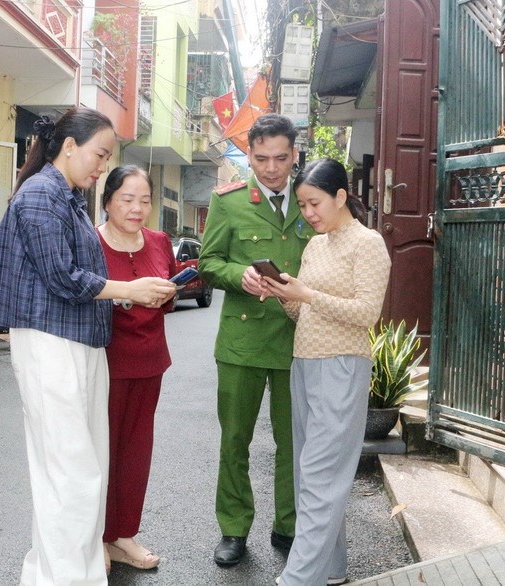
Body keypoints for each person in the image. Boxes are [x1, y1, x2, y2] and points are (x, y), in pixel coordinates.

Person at [0, 108, 176, 586]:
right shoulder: (42, 194)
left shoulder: (68, 196)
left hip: (78, 342)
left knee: (82, 471)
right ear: (69, 147)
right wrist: (129, 289)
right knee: (70, 474)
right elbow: (62, 276)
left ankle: (69, 575)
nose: (102, 165)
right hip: (51, 344)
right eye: (100, 154)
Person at [255, 159, 391, 585]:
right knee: (310, 473)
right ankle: (331, 569)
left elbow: (367, 314)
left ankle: (298, 579)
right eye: (302, 205)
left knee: (319, 474)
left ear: (341, 196)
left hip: (342, 366)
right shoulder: (315, 246)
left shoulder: (368, 244)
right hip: (305, 364)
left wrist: (309, 294)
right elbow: (303, 314)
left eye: (314, 203)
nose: (308, 212)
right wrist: (284, 293)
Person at [197, 113, 317, 566]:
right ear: (249, 155)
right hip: (242, 341)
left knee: (294, 442)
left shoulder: (309, 200)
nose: (271, 168)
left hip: (297, 340)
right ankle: (233, 529)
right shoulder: (228, 201)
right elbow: (208, 263)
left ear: (294, 155)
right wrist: (239, 275)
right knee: (235, 440)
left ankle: (288, 526)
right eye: (262, 158)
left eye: (280, 158)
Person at [96, 165, 177, 572]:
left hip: (149, 361)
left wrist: (166, 293)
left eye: (145, 200)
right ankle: (95, 536)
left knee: (135, 452)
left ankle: (123, 534)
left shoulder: (160, 242)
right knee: (100, 451)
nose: (137, 208)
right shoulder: (90, 242)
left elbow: (170, 295)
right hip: (105, 362)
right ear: (107, 201)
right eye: (127, 199)